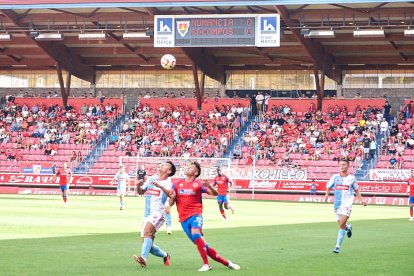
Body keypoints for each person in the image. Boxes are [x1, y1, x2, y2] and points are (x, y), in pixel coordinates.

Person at [169, 162, 240, 272]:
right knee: (203, 246)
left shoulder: (198, 184)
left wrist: (209, 186)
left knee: (196, 234)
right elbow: (171, 201)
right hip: (183, 219)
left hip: (195, 214)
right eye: (188, 166)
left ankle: (206, 265)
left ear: (196, 172)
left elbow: (214, 194)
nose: (188, 167)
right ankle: (228, 263)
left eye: (191, 167)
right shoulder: (176, 184)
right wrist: (170, 200)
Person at [133, 161, 176, 268]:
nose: (162, 166)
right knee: (147, 244)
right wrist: (138, 186)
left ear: (169, 171)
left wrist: (161, 187)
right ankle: (166, 255)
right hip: (148, 214)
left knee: (147, 233)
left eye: (165, 165)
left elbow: (171, 196)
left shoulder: (168, 182)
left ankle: (143, 258)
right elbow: (140, 192)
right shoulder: (152, 179)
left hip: (159, 213)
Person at [324, 159, 367, 254]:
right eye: (341, 164)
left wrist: (361, 200)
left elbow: (356, 190)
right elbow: (328, 186)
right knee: (341, 224)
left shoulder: (352, 178)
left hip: (347, 204)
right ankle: (348, 227)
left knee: (341, 223)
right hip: (337, 205)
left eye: (344, 165)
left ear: (348, 166)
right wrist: (327, 195)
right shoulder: (335, 177)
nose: (342, 166)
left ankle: (337, 246)